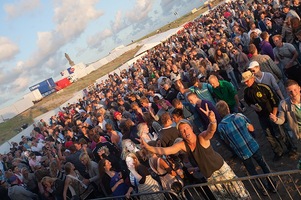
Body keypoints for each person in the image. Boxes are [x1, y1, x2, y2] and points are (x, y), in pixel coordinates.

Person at [139, 104, 250, 199]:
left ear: (191, 128)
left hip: (221, 170)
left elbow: (210, 131)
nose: (185, 132)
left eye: (186, 128)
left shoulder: (201, 137)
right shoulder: (182, 145)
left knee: (241, 195)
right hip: (210, 178)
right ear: (180, 134)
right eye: (182, 130)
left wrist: (212, 121)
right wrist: (148, 147)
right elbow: (164, 150)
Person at [215, 100, 277, 195]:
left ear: (219, 114)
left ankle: (263, 189)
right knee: (263, 165)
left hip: (242, 152)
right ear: (228, 108)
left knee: (252, 171)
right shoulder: (240, 116)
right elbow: (251, 128)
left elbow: (226, 141)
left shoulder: (221, 127)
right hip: (252, 145)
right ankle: (272, 185)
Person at [242, 71, 295, 161]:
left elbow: (275, 101)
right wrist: (253, 106)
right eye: (244, 82)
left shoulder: (264, 88)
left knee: (281, 132)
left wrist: (274, 114)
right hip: (262, 116)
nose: (246, 83)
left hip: (272, 113)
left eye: (247, 81)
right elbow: (248, 102)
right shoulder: (246, 91)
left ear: (252, 78)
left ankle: (291, 149)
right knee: (269, 135)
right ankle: (278, 152)